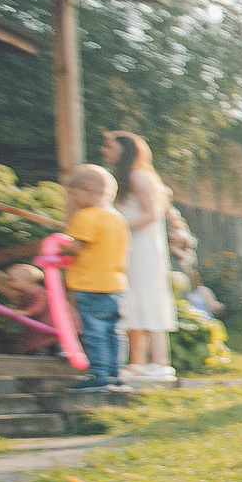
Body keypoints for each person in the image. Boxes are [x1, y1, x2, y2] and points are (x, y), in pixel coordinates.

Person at [104, 131, 176, 382]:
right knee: (132, 299)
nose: (105, 151)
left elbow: (151, 215)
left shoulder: (139, 176)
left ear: (125, 151)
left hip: (144, 247)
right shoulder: (122, 179)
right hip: (129, 246)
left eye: (110, 146)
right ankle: (137, 363)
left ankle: (159, 362)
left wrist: (118, 228)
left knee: (148, 295)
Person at [58, 165, 130, 391]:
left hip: (90, 285)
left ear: (87, 189)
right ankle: (114, 373)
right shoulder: (118, 218)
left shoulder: (86, 216)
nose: (72, 199)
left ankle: (99, 374)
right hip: (114, 285)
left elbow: (76, 247)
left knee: (94, 332)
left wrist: (59, 250)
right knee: (112, 331)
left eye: (73, 193)